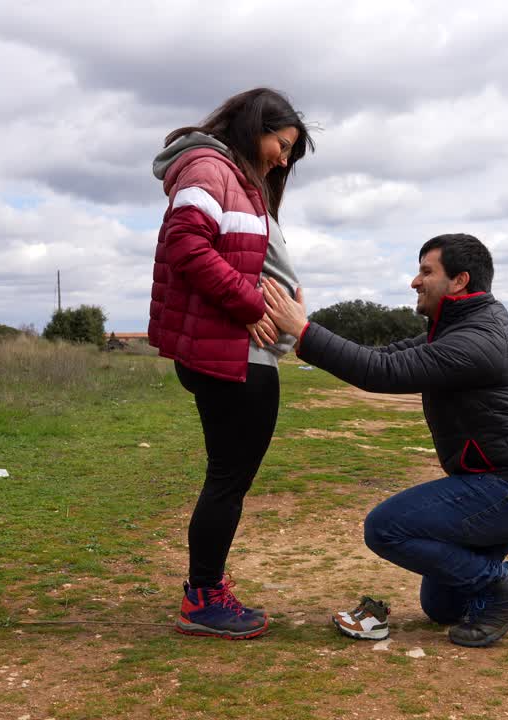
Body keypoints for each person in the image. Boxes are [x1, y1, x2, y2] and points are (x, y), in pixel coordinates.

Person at [263, 233, 508, 647]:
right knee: (442, 604)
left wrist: (305, 330)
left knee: (385, 528)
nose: (415, 282)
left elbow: (379, 375)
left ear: (459, 281)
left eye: (426, 271)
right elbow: (385, 358)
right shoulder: (458, 329)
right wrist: (305, 336)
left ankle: (503, 595)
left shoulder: (474, 341)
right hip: (502, 485)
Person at [148, 88, 313, 640]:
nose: (283, 159)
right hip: (233, 355)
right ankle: (203, 598)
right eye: (281, 144)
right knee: (227, 481)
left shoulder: (231, 175)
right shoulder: (207, 167)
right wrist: (248, 305)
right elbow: (187, 245)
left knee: (228, 479)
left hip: (240, 351)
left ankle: (206, 587)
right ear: (253, 126)